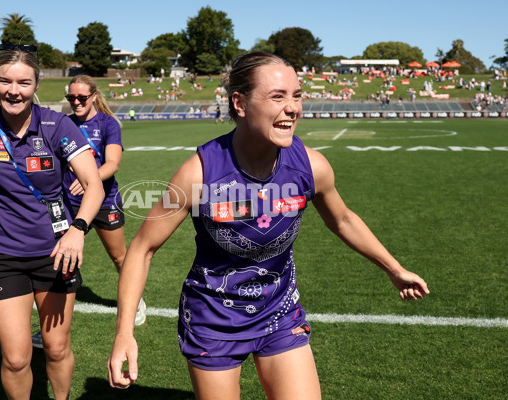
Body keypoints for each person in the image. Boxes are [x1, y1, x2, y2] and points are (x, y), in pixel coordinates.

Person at [107, 52, 430, 399]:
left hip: (280, 310)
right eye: (278, 96)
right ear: (240, 103)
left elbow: (343, 219)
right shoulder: (198, 174)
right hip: (214, 319)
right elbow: (143, 248)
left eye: (297, 95)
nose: (293, 108)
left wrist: (394, 269)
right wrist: (125, 331)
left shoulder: (311, 166)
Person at [0, 47, 104, 400]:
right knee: (17, 358)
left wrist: (77, 230)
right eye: (5, 81)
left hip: (56, 254)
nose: (13, 90)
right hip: (1, 257)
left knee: (55, 348)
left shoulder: (56, 125)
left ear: (36, 85)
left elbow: (94, 184)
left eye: (23, 82)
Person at [32, 75, 146, 347]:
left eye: (82, 97)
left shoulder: (108, 124)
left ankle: (136, 302)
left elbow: (113, 163)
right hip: (69, 204)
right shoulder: (63, 123)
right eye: (71, 98)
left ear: (94, 96)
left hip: (104, 201)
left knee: (119, 257)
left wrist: (90, 182)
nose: (76, 102)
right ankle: (48, 328)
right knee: (59, 260)